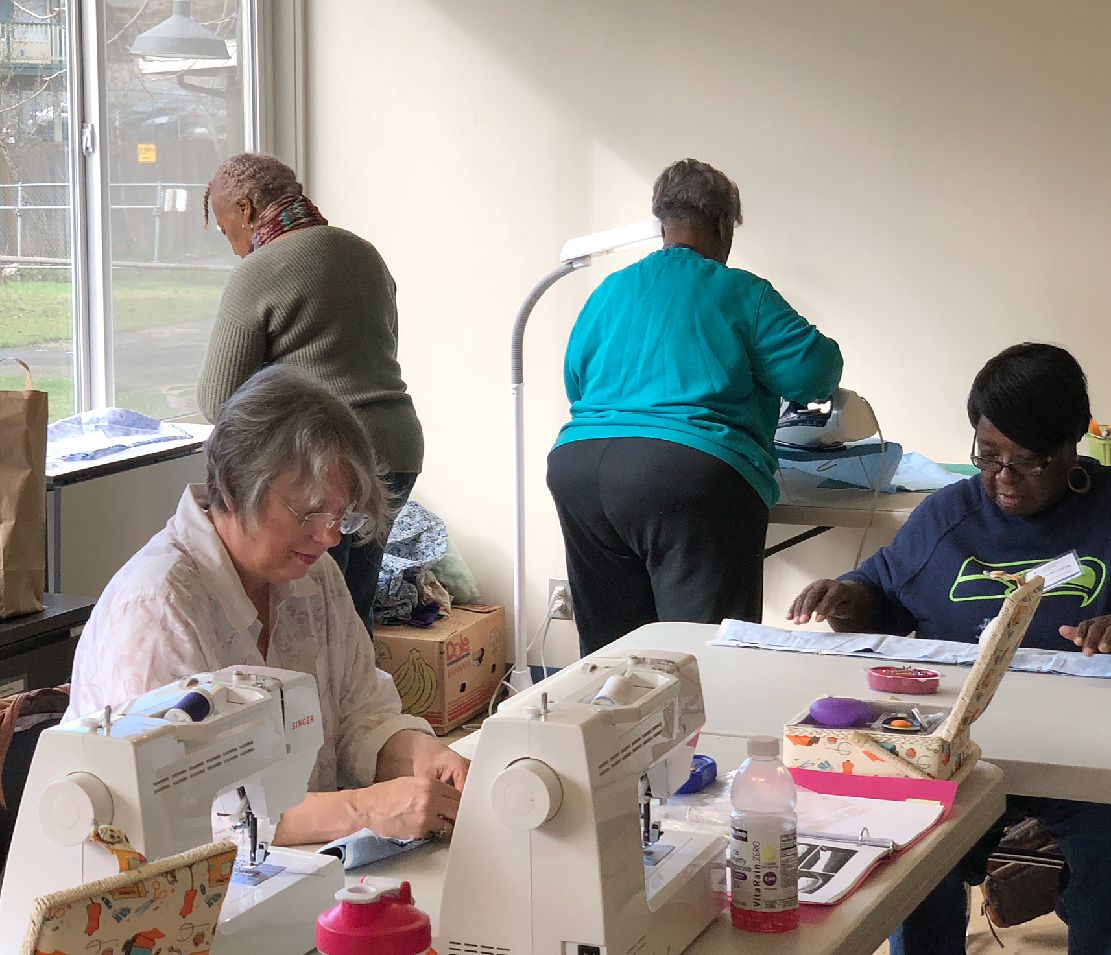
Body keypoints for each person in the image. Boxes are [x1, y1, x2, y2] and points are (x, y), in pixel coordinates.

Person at [788, 342, 1111, 955]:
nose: (1004, 479)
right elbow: (878, 588)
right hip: (949, 741)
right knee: (902, 842)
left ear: (1075, 443)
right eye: (988, 457)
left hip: (1086, 755)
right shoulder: (948, 515)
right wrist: (849, 599)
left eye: (1029, 461)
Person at [66, 366, 467, 844]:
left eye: (341, 516)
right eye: (310, 512)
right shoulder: (157, 609)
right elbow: (188, 813)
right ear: (235, 489)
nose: (330, 536)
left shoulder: (312, 575)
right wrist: (360, 808)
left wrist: (422, 754)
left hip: (292, 866)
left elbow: (362, 715)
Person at [547, 158, 843, 656]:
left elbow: (576, 380)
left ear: (661, 225)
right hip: (685, 475)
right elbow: (814, 372)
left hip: (580, 470)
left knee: (611, 655)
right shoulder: (740, 292)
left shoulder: (609, 290)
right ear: (725, 225)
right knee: (704, 655)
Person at [196, 153, 423, 635]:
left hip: (320, 462)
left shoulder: (258, 270)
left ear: (245, 207)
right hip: (397, 446)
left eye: (226, 229)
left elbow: (219, 400)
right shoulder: (365, 254)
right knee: (351, 614)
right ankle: (360, 708)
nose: (235, 248)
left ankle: (307, 712)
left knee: (304, 619)